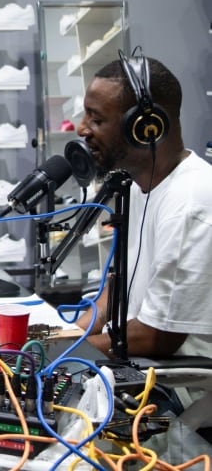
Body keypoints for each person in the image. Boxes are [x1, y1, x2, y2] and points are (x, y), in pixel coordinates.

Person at [75, 55, 212, 360]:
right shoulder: (138, 185)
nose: (82, 129)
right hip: (138, 365)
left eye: (96, 119)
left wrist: (61, 353)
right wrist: (70, 334)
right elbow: (118, 287)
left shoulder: (191, 204)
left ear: (146, 127)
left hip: (179, 389)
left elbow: (155, 338)